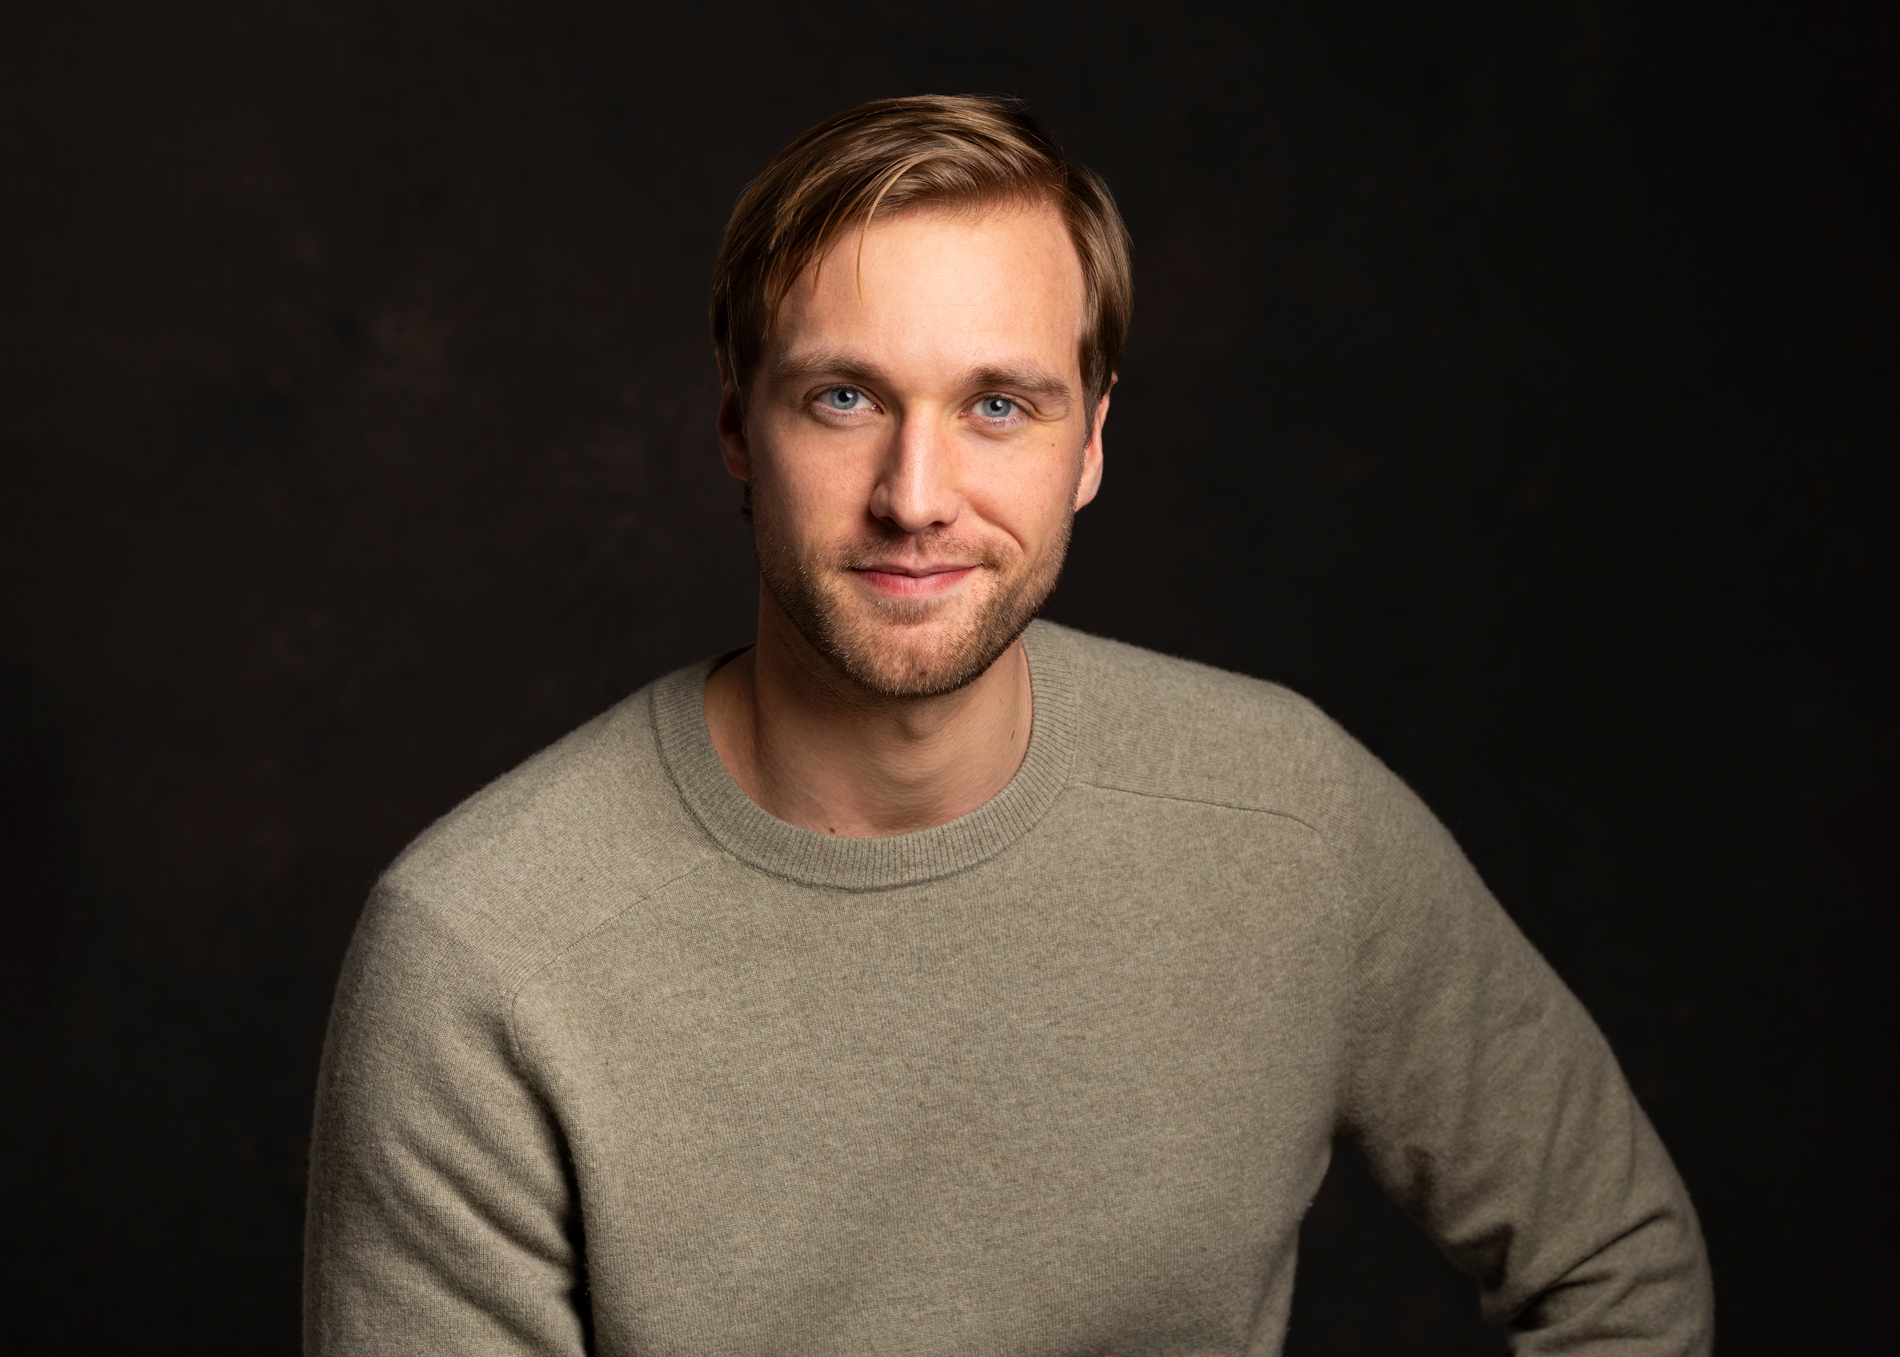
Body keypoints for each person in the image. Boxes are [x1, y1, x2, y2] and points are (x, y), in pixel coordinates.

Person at [304, 95, 1713, 1355]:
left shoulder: (1286, 818)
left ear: (1090, 441)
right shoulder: (482, 950)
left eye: (998, 404)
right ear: (738, 424)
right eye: (843, 396)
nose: (916, 493)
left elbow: (1616, 1268)